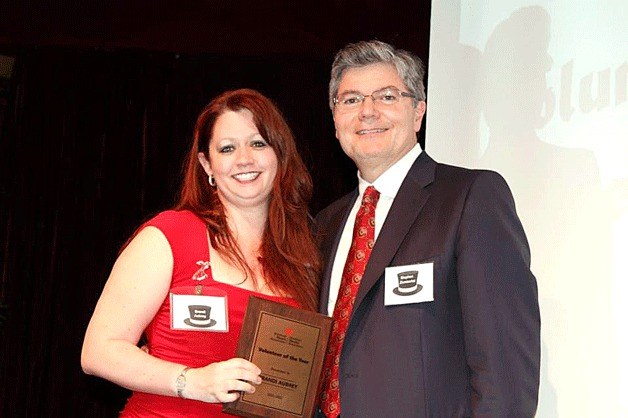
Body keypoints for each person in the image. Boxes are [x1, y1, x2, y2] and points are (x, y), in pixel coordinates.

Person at [315, 40, 540, 417]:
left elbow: (504, 368)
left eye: (386, 97)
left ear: (418, 112)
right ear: (335, 119)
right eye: (351, 100)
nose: (367, 112)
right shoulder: (324, 225)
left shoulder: (470, 198)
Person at [81, 88, 320, 416]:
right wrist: (192, 381)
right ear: (207, 164)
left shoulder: (304, 254)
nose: (244, 159)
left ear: (280, 154)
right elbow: (97, 352)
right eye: (227, 148)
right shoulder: (169, 236)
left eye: (258, 143)